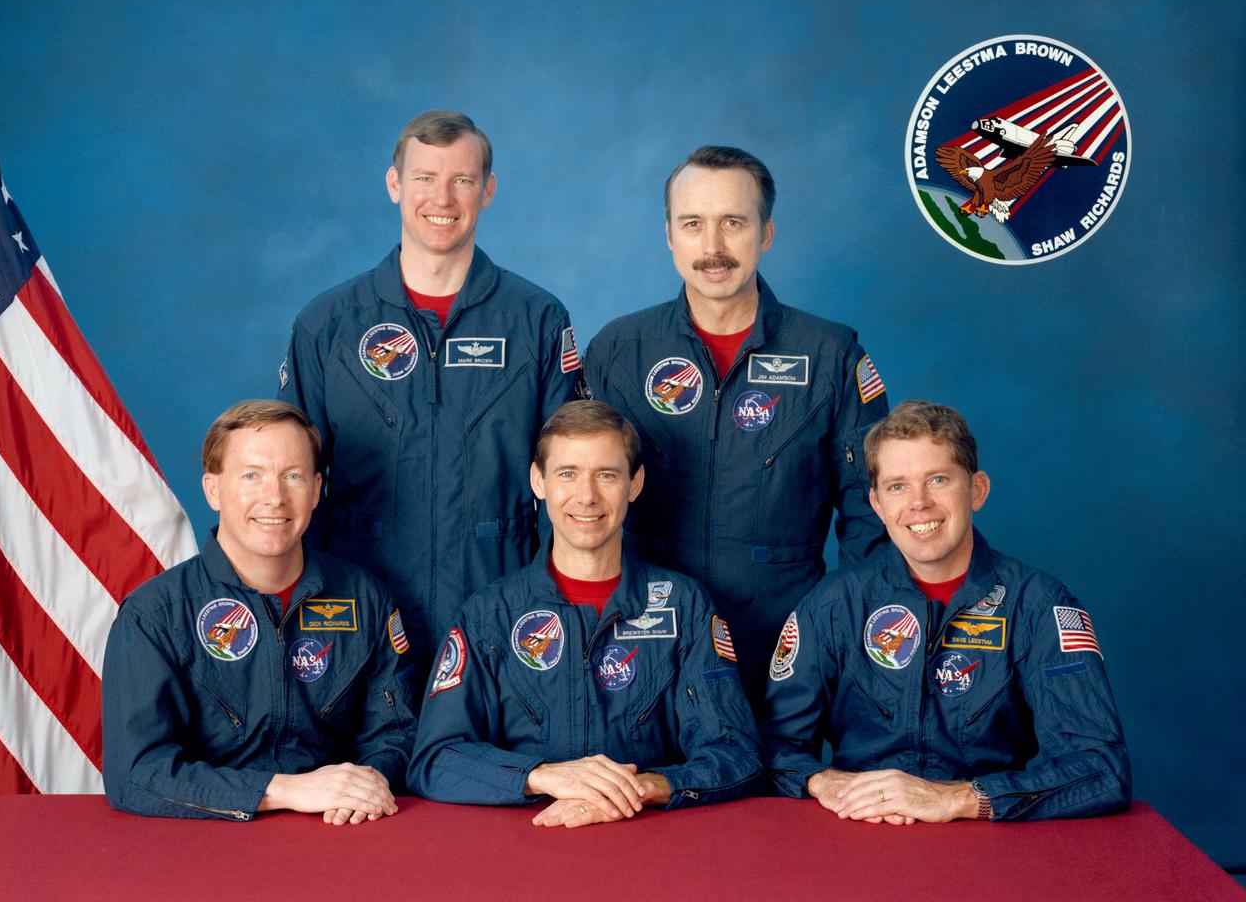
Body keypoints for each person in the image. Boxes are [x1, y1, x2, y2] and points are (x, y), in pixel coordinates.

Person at [582, 145, 888, 703]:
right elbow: (570, 500)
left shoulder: (829, 355)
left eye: (734, 223)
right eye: (693, 224)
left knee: (781, 785)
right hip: (642, 640)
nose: (713, 248)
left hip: (783, 640)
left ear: (765, 233)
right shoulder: (618, 351)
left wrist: (843, 638)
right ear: (669, 235)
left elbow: (873, 517)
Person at [278, 110, 580, 673]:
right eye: (424, 178)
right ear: (394, 184)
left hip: (501, 611)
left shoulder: (536, 320)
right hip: (356, 616)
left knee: (494, 762)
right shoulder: (330, 326)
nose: (442, 197)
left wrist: (551, 610)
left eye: (462, 180)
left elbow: (571, 479)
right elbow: (294, 481)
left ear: (487, 190)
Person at [760, 400, 1130, 822]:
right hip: (859, 832)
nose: (919, 503)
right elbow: (770, 747)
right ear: (877, 504)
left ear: (977, 490)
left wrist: (955, 799)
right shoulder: (833, 605)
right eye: (897, 486)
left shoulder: (1039, 606)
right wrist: (824, 781)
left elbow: (1101, 770)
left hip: (986, 841)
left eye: (937, 479)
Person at [408, 401, 762, 827]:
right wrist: (543, 776)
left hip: (648, 842)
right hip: (525, 844)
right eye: (568, 473)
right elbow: (435, 759)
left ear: (635, 483)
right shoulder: (491, 614)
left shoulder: (684, 607)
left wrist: (645, 788)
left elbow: (737, 754)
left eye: (607, 475)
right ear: (539, 481)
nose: (587, 496)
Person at [102, 400, 417, 823]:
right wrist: (284, 790)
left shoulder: (365, 599)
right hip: (206, 840)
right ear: (213, 491)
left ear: (317, 489)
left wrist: (364, 785)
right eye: (252, 476)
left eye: (293, 476)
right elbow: (136, 774)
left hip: (338, 828)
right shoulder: (155, 615)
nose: (275, 497)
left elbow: (395, 733)